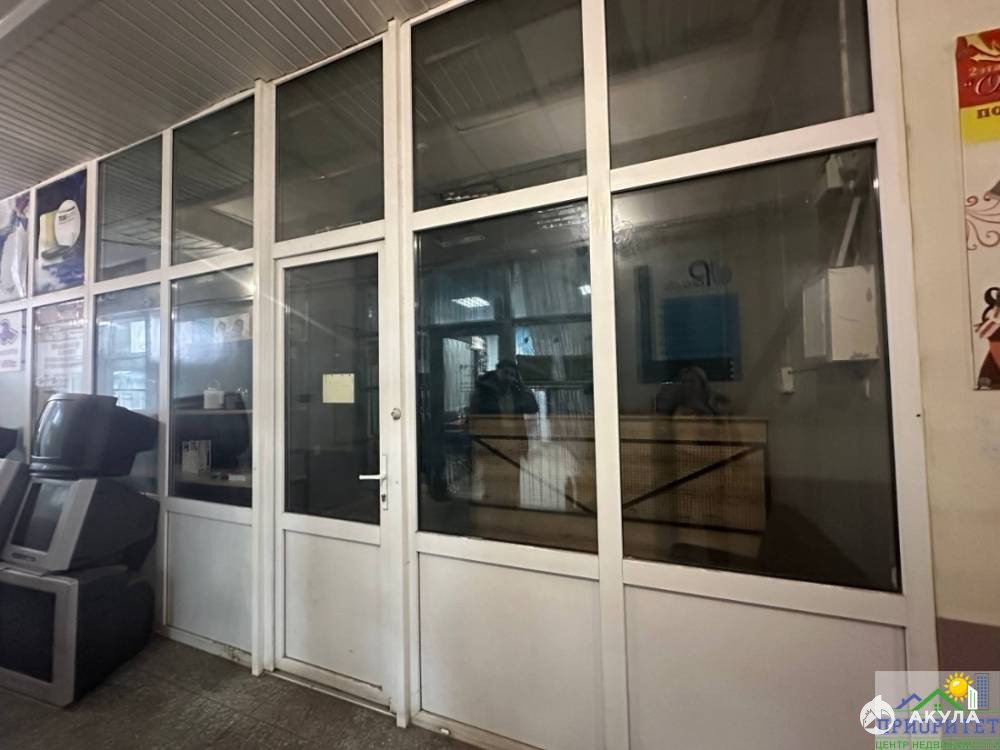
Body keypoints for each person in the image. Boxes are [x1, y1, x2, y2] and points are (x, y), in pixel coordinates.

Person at [470, 358, 539, 415]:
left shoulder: (516, 392)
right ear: (497, 372)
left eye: (512, 375)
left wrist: (522, 385)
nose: (508, 377)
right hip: (490, 427)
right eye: (505, 373)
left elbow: (533, 408)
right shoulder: (483, 391)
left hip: (515, 427)